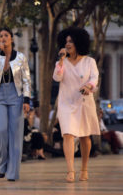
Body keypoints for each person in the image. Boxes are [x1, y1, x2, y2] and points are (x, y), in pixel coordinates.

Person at [53, 27, 100, 182]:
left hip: (84, 103)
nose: (68, 44)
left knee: (85, 137)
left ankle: (84, 169)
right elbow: (57, 78)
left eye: (71, 41)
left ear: (78, 42)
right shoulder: (62, 62)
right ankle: (70, 171)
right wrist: (60, 60)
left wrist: (89, 87)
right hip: (66, 103)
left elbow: (94, 78)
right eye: (66, 41)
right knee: (67, 134)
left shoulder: (89, 61)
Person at [0, 27, 31, 181]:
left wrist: (26, 99)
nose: (3, 38)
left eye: (6, 35)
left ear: (11, 39)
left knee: (15, 134)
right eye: (0, 36)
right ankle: (2, 162)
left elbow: (26, 79)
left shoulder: (20, 57)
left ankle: (12, 172)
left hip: (15, 95)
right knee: (1, 129)